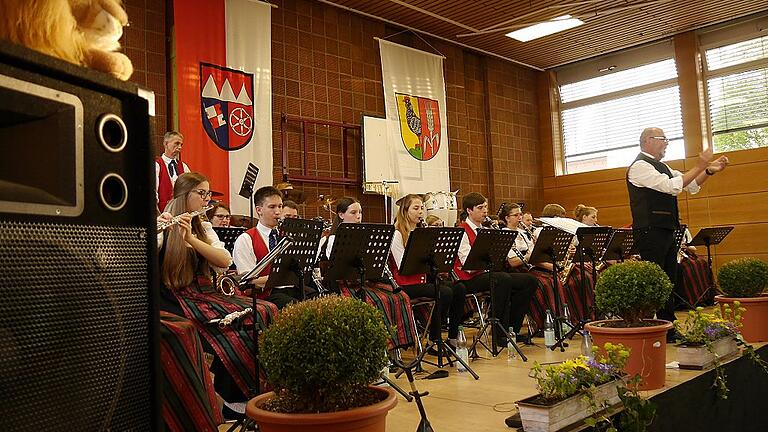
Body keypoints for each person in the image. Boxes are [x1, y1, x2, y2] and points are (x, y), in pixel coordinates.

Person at [156, 172, 277, 420]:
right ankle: (235, 398)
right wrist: (158, 230)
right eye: (201, 193)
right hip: (174, 297)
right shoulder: (164, 221)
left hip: (203, 293)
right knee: (237, 321)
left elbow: (224, 260)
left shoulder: (203, 226)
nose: (206, 199)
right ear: (183, 194)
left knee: (265, 309)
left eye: (208, 193)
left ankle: (258, 392)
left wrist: (190, 237)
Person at [627, 127, 729, 332]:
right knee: (656, 280)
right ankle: (653, 325)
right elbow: (671, 187)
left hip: (666, 230)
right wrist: (700, 165)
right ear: (648, 140)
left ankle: (669, 324)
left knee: (669, 279)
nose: (666, 142)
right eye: (663, 138)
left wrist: (708, 171)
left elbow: (690, 185)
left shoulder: (662, 166)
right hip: (650, 231)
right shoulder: (639, 166)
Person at [321, 197, 418, 349]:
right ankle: (381, 348)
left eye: (360, 212)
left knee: (401, 296)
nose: (358, 216)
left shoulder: (366, 235)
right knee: (377, 301)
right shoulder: (334, 239)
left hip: (366, 280)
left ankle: (400, 345)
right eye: (353, 212)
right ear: (341, 215)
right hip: (347, 284)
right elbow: (339, 269)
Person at [453, 193, 537, 348]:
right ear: (469, 210)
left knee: (529, 281)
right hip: (467, 278)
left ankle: (512, 329)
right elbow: (468, 264)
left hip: (486, 274)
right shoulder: (462, 231)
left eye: (485, 207)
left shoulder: (485, 229)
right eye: (480, 208)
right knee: (502, 279)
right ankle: (499, 334)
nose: (485, 211)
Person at [390, 194, 466, 347]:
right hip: (405, 284)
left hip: (422, 280)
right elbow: (402, 266)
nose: (420, 212)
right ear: (405, 211)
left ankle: (452, 337)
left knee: (459, 288)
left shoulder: (422, 232)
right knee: (444, 292)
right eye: (416, 208)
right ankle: (434, 339)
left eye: (422, 208)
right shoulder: (397, 233)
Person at [232, 186, 305, 309]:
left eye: (280, 206)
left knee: (320, 300)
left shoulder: (286, 236)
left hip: (292, 289)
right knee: (298, 307)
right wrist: (277, 278)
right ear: (259, 210)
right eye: (272, 207)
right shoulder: (246, 239)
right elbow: (247, 282)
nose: (278, 212)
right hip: (266, 295)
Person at [156, 131, 190, 212]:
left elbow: (190, 189)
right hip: (163, 212)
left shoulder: (184, 166)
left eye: (181, 145)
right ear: (165, 143)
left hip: (181, 211)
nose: (180, 147)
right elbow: (153, 192)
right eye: (176, 143)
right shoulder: (157, 165)